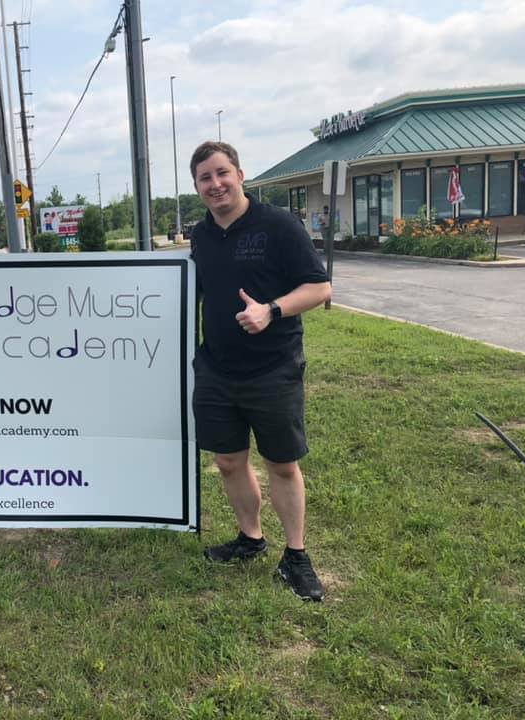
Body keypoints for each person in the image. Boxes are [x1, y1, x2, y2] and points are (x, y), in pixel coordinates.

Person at [189, 140, 332, 601]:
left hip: (273, 367)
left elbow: (320, 288)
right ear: (197, 187)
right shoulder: (200, 235)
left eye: (222, 173)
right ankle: (251, 538)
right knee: (228, 461)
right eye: (205, 178)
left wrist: (272, 309)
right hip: (216, 368)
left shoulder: (278, 225)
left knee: (282, 465)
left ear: (240, 174)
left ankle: (296, 556)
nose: (216, 184)